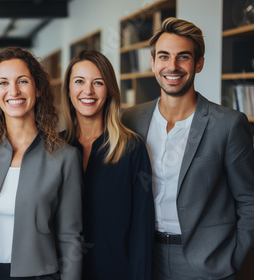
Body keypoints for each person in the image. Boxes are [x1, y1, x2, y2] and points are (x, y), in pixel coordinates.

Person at [121, 17, 254, 280]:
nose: (172, 66)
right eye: (164, 56)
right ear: (153, 63)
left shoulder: (227, 124)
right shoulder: (130, 120)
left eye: (183, 57)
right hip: (145, 255)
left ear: (199, 63)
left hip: (207, 263)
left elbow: (249, 200)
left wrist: (233, 257)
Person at [0, 47, 84, 280]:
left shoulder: (65, 157)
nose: (13, 91)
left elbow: (70, 236)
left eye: (22, 81)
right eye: (3, 83)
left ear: (38, 89)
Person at [60, 50, 154, 280]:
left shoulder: (132, 148)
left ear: (109, 90)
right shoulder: (55, 147)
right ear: (69, 90)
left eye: (98, 82)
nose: (88, 91)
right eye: (79, 81)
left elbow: (142, 228)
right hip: (62, 272)